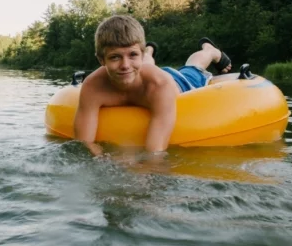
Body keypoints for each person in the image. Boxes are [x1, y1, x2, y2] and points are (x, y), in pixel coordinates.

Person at [74, 14, 232, 157]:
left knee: (193, 67)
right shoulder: (93, 87)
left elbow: (155, 152)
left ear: (139, 54)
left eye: (133, 54)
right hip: (144, 72)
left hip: (177, 81)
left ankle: (210, 51)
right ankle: (149, 52)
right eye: (115, 57)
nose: (125, 65)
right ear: (101, 60)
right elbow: (84, 143)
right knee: (138, 68)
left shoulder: (159, 87)